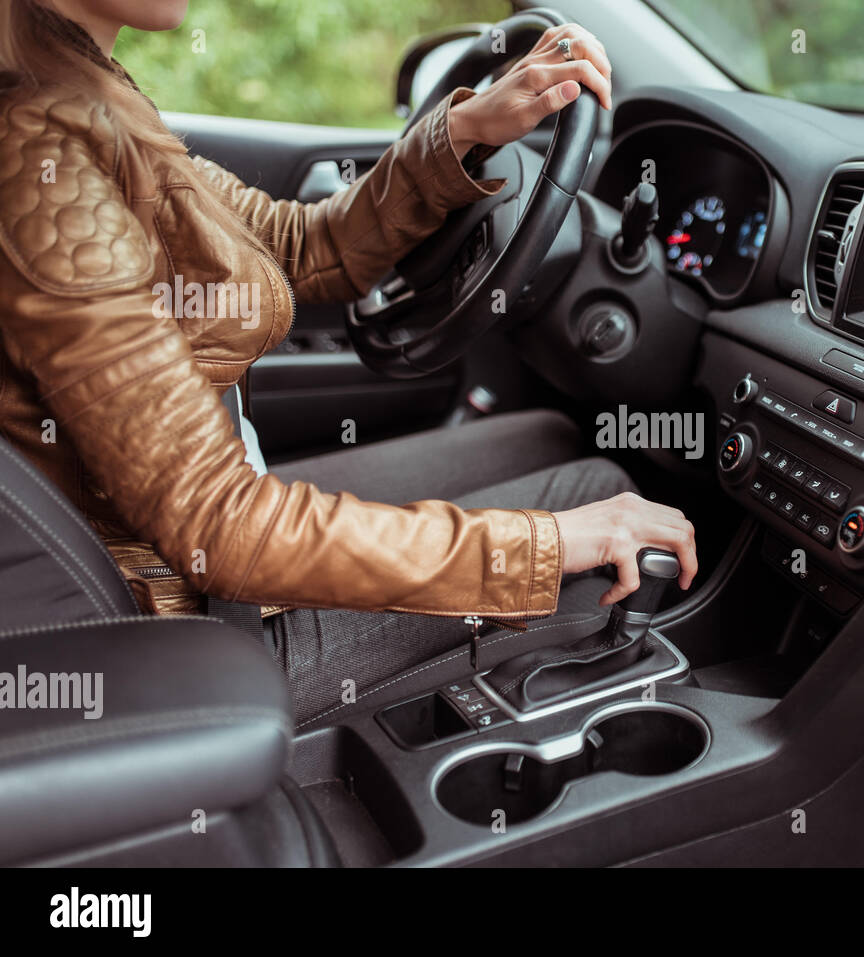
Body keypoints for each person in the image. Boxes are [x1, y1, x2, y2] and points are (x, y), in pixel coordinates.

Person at [0, 0, 697, 723]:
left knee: (553, 440)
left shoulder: (82, 88)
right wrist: (546, 547)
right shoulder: (39, 153)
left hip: (181, 553)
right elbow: (219, 527)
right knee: (599, 503)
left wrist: (463, 131)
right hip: (183, 628)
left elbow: (294, 247)